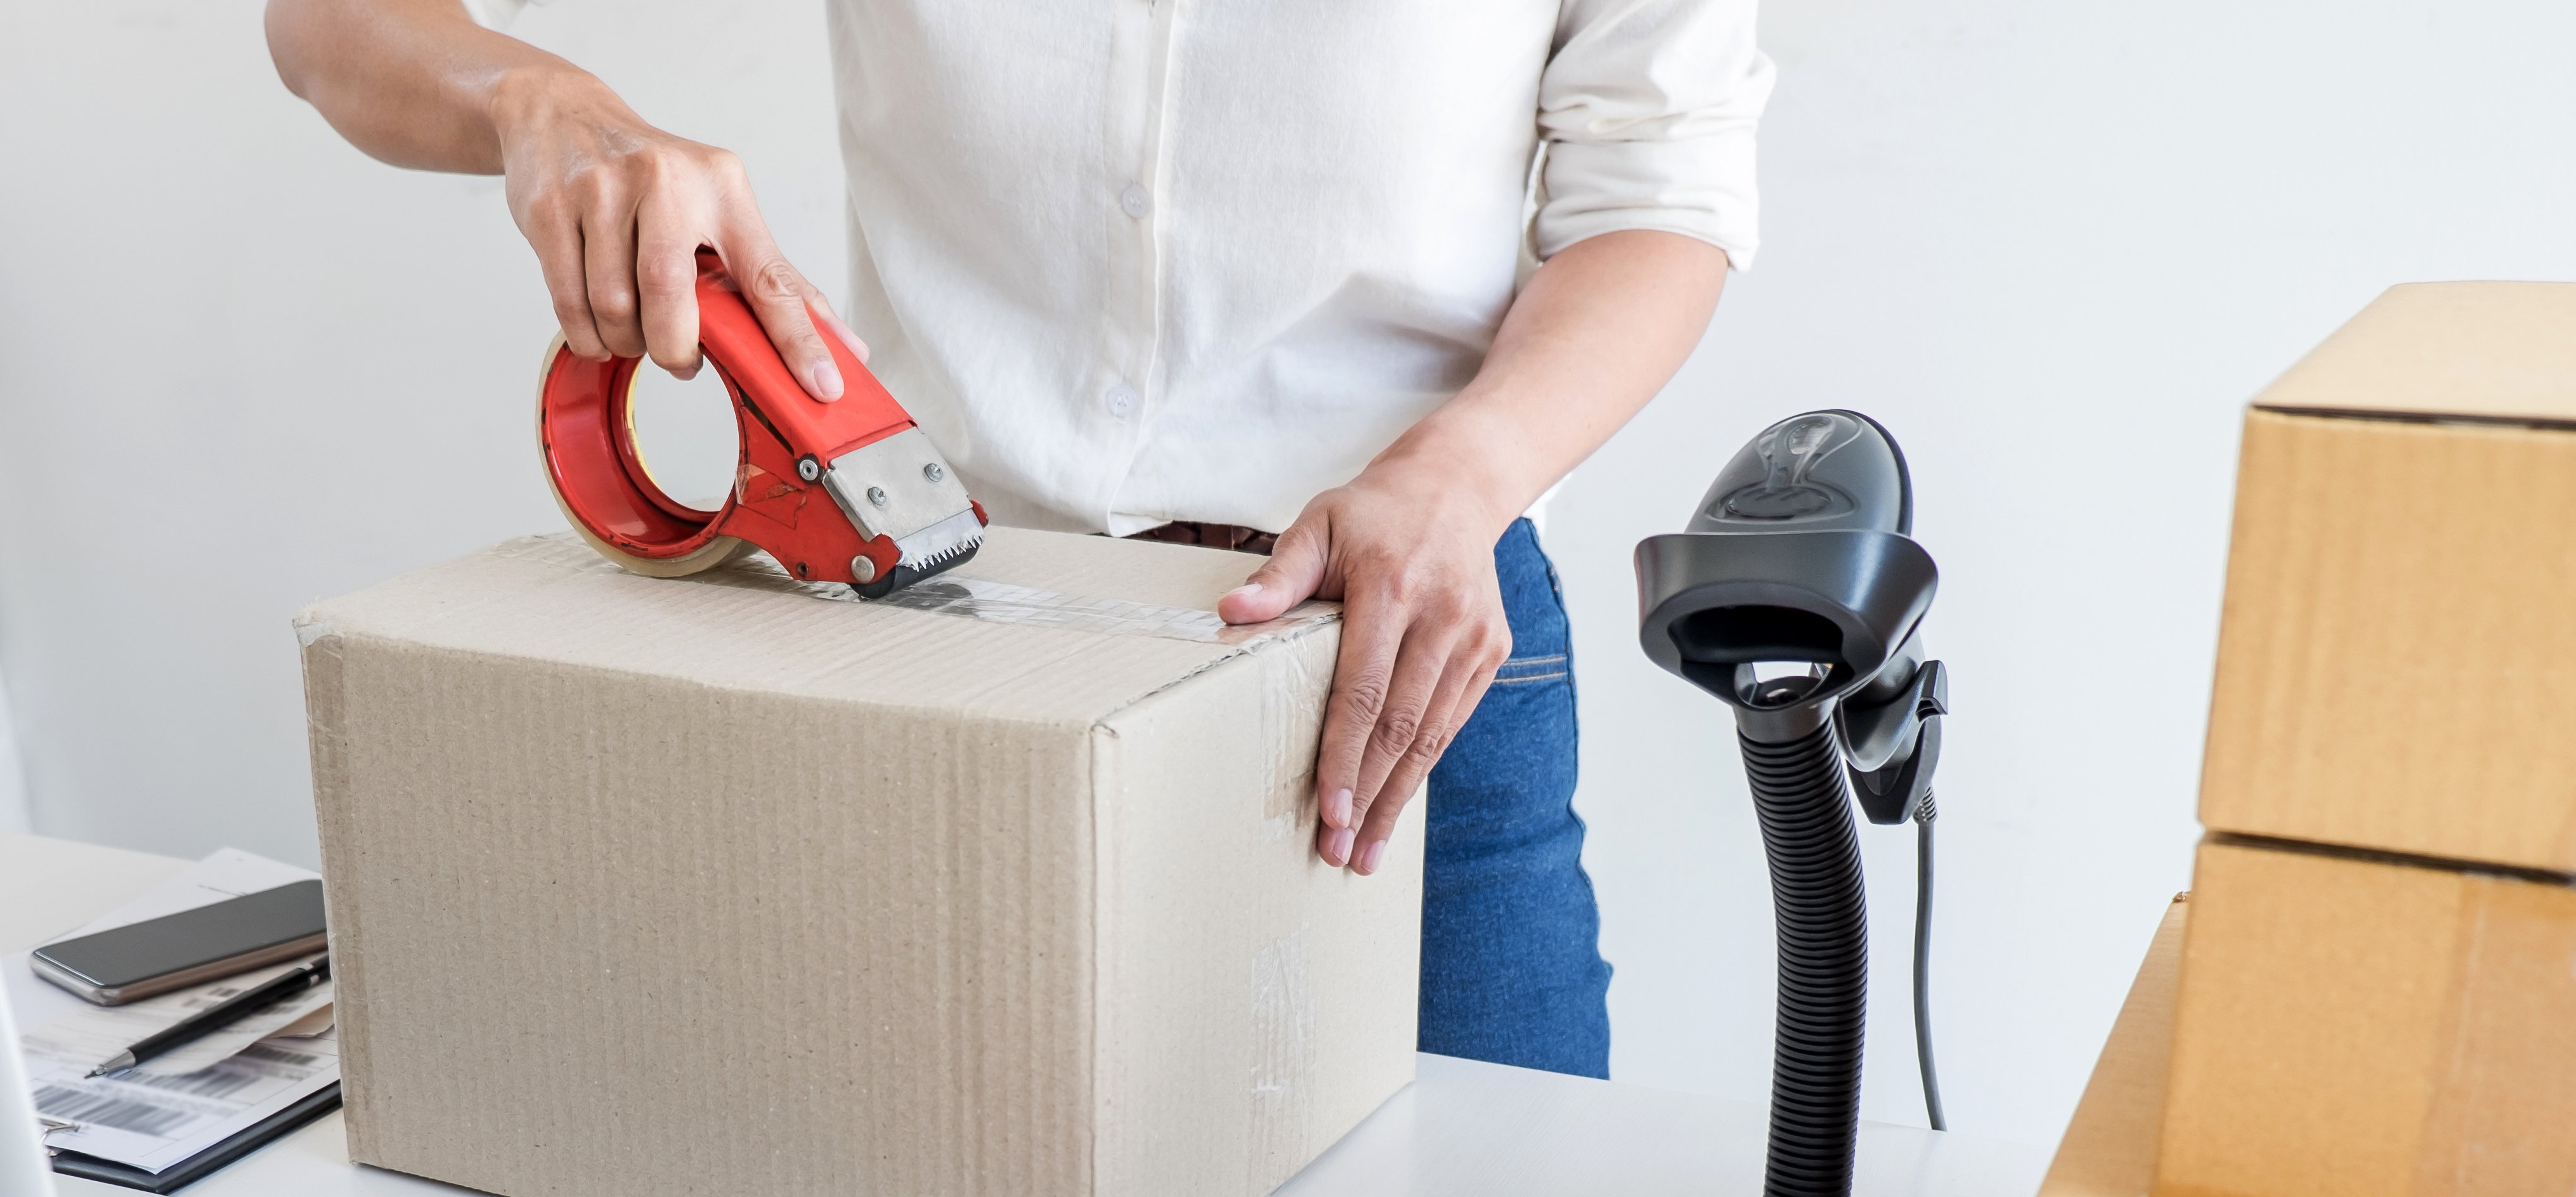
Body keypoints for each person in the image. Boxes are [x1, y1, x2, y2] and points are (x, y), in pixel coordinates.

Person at [265, 1, 1770, 1075]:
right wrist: (543, 103)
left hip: (1397, 632)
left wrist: (1468, 466)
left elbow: (1660, 189)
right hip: (950, 623)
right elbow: (327, 21)